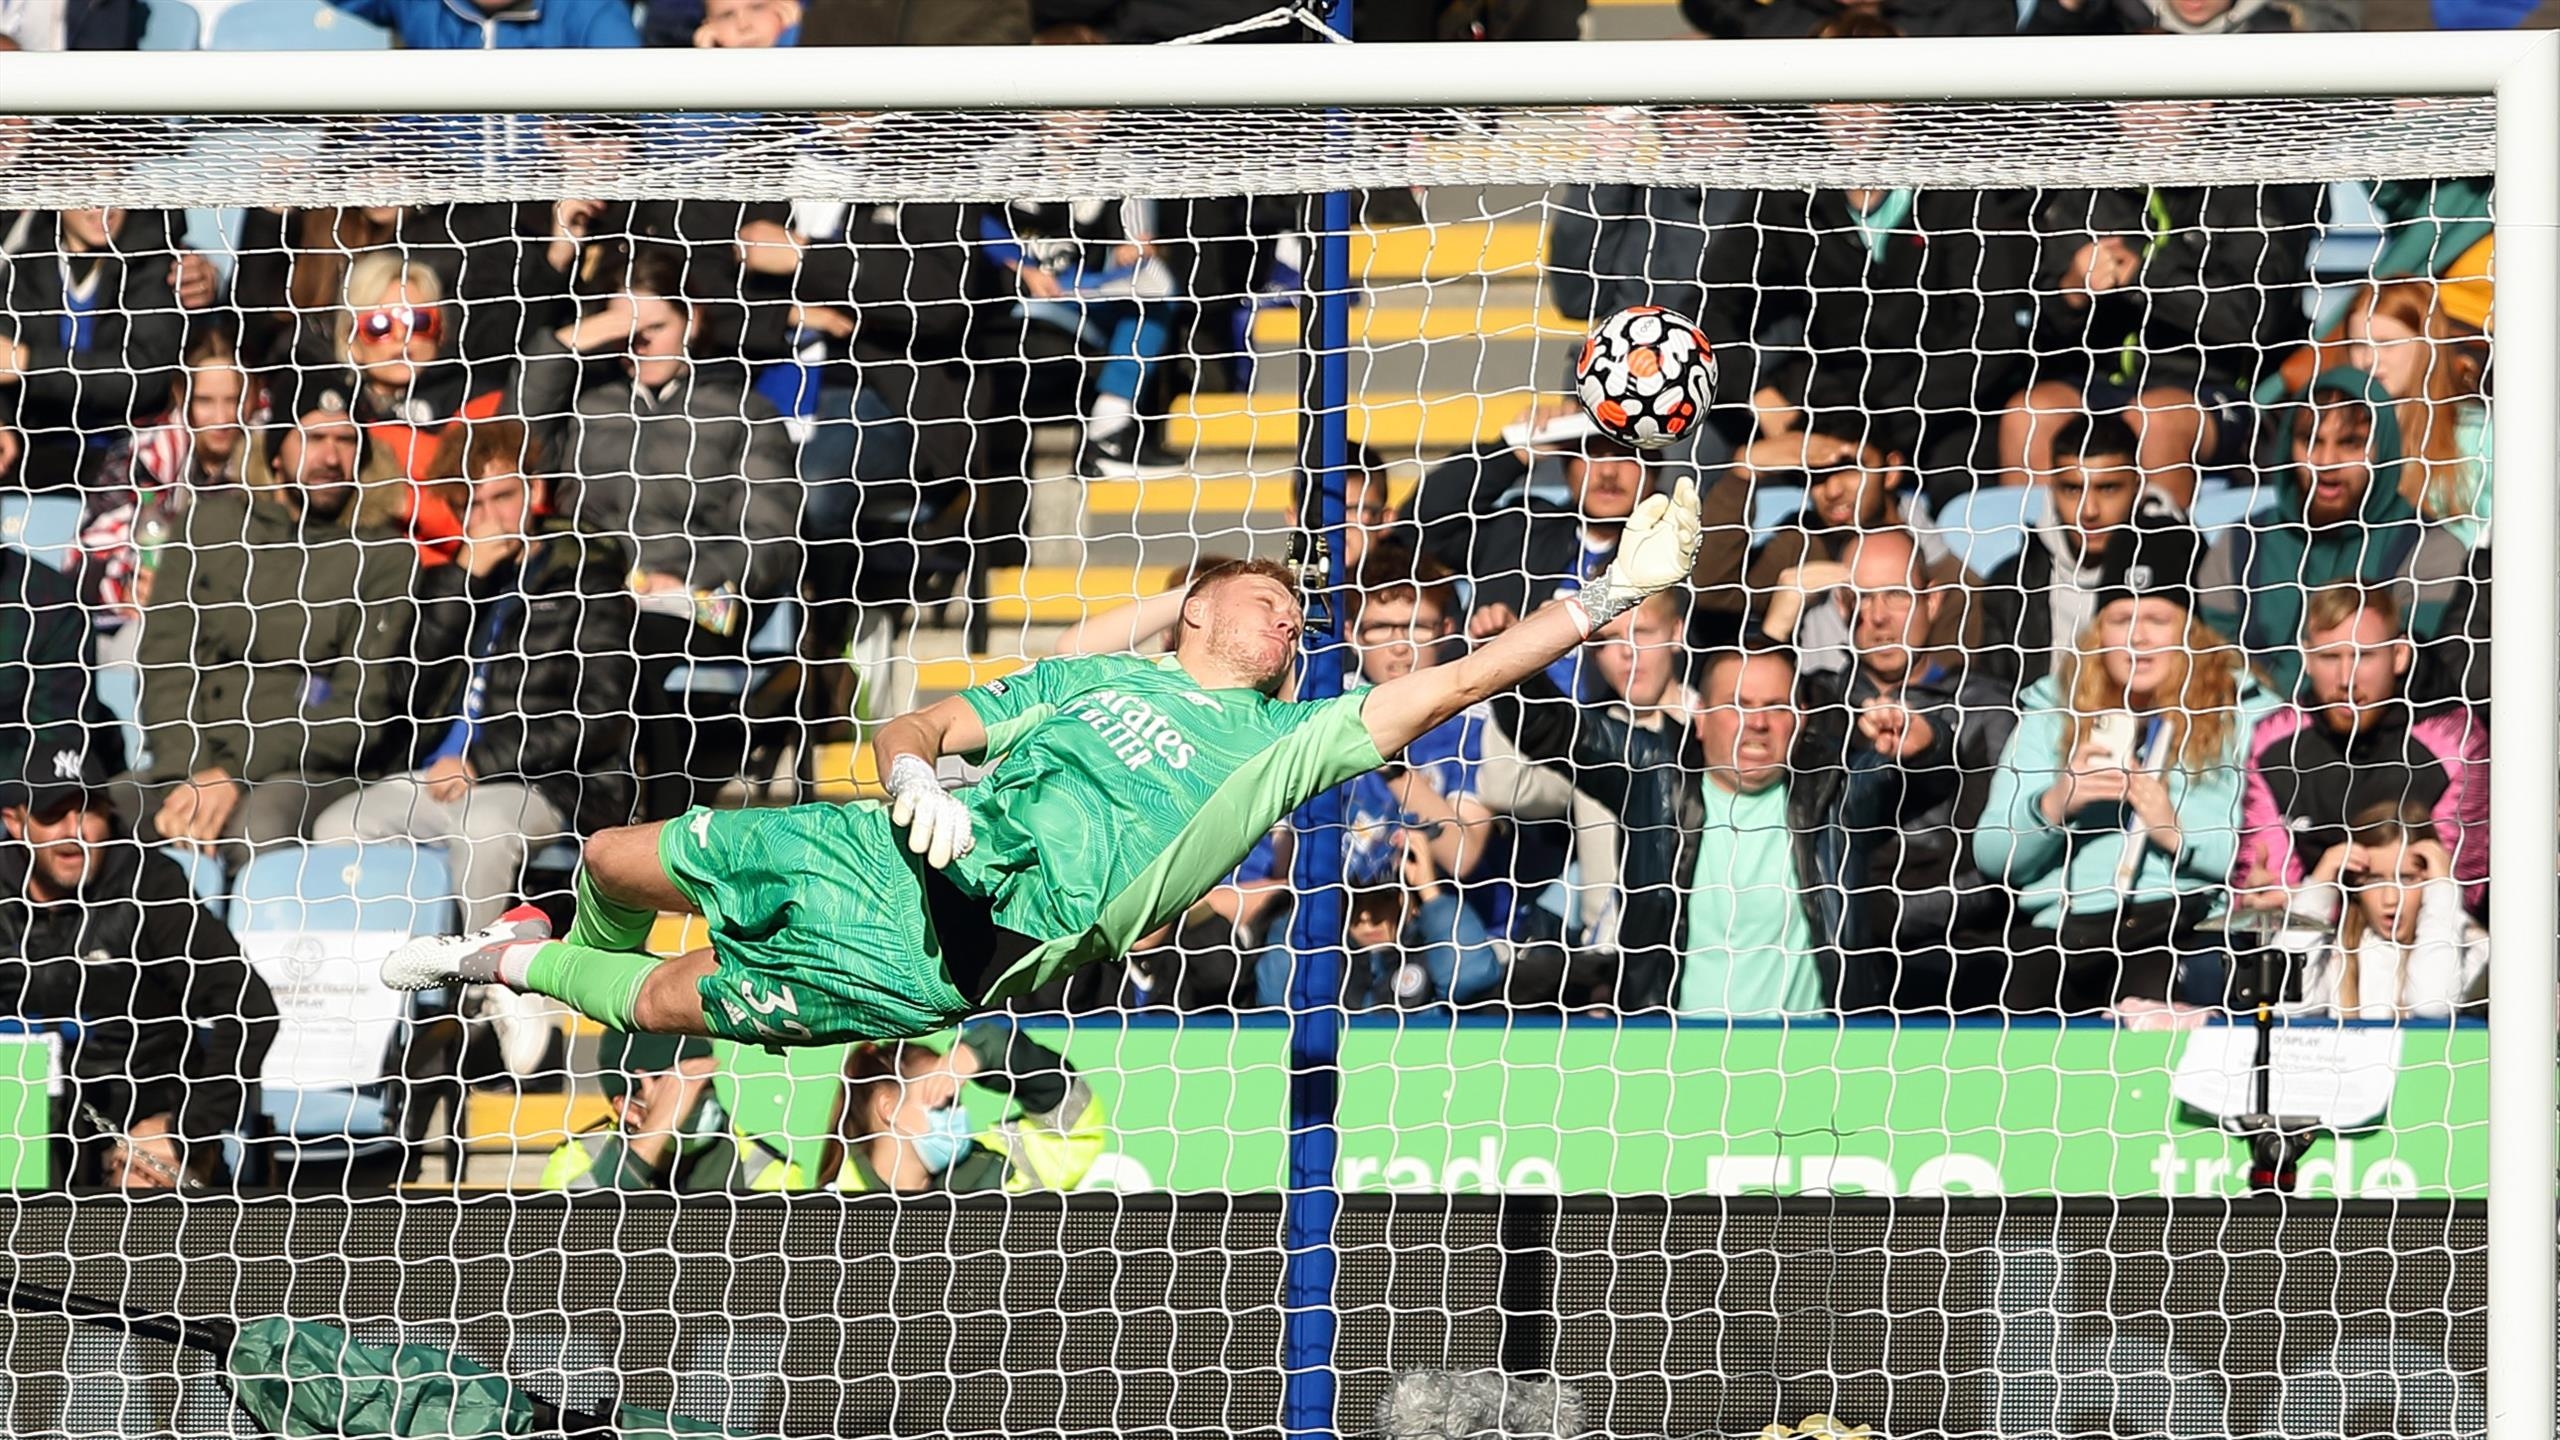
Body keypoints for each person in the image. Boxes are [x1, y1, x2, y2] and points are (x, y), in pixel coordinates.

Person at [381, 479, 1708, 1045]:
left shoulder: (1283, 744)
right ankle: (538, 956)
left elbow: (1457, 679)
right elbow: (917, 728)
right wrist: (910, 782)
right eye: (1267, 603)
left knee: (674, 999)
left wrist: (1594, 599)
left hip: (962, 948)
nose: (1289, 619)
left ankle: (506, 967)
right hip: (889, 841)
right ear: (1195, 608)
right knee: (617, 856)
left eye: (1295, 615)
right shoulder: (1091, 678)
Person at [311, 421, 638, 1071]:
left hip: (548, 783)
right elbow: (406, 692)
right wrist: (464, 582)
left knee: (484, 831)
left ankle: (503, 984)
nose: (489, 517)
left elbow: (598, 714)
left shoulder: (587, 574)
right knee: (337, 826)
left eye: (502, 498)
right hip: (440, 778)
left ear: (535, 491)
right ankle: (387, 997)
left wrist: (483, 763)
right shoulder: (453, 580)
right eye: (473, 505)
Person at [124, 373, 417, 862]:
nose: (330, 458)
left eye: (346, 441)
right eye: (314, 438)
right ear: (277, 451)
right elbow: (166, 665)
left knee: (256, 829)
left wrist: (233, 772)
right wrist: (191, 775)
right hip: (195, 765)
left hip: (305, 769)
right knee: (98, 814)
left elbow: (357, 713)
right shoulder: (207, 528)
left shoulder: (385, 556)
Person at [1973, 548, 2277, 1014]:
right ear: (2098, 633)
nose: (2138, 638)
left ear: (2190, 630)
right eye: (2120, 620)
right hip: (2063, 933)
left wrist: (2178, 835)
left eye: (2157, 619)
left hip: (2184, 926)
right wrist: (2055, 804)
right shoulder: (2053, 711)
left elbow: (2275, 862)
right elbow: (1993, 855)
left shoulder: (2249, 714)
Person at [0, 735, 277, 1188]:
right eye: (53, 815)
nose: (76, 831)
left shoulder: (150, 885)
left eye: (88, 810)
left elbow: (249, 1008)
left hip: (137, 1119)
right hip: (15, 1112)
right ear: (15, 822)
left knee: (143, 1179)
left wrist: (185, 1129)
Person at [1793, 529, 2019, 1011]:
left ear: (1933, 602)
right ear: (1840, 605)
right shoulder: (1811, 705)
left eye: (1896, 594)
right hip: (1842, 960)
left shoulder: (1987, 708)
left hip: (1968, 961)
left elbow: (2003, 859)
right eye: (1862, 597)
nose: (1878, 617)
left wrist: (1933, 746)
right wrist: (1778, 620)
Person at [2001, 168, 2321, 505]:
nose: (2142, 115)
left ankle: (2162, 553)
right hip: (2100, 381)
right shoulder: (2086, 187)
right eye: (2127, 109)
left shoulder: (2252, 189)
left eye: (2159, 109)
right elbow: (2042, 334)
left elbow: (2251, 318)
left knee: (2155, 417)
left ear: (2202, 110)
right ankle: (2033, 555)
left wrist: (2145, 275)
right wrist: (2072, 290)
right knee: (2028, 414)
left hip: (2218, 390)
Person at [517, 251, 806, 610]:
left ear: (692, 321)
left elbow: (769, 536)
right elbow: (510, 435)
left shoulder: (744, 412)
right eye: (627, 330)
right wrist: (572, 341)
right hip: (582, 587)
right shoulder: (584, 402)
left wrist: (689, 578)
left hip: (686, 601)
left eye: (656, 327)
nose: (642, 344)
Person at [1487, 588, 1701, 1011]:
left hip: (1695, 962)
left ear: (1677, 631)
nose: (1626, 653)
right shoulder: (1591, 741)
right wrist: (1526, 649)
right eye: (1607, 640)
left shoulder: (1723, 734)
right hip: (1603, 971)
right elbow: (1502, 786)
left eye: (1642, 632)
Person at [2235, 584, 2487, 913]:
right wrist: (2263, 896)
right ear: (2307, 658)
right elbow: (2265, 879)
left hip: (2422, 943)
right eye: (2329, 657)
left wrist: (2317, 895)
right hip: (2309, 944)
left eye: (2363, 656)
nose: (2346, 678)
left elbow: (2458, 892)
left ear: (2399, 655)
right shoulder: (2275, 740)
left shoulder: (2454, 741)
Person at [2195, 369, 2432, 696]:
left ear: (2384, 447)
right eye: (2311, 441)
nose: (2326, 462)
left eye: (2350, 443)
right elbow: (2212, 654)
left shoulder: (2427, 548)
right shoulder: (2244, 542)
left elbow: (2420, 675)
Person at [1711, 423, 1981, 670]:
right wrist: (1744, 471)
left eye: (1850, 467)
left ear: (1891, 471)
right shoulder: (1802, 543)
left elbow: (1951, 690)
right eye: (1817, 474)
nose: (1832, 490)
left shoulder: (1953, 583)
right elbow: (1713, 593)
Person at [1975, 411, 2204, 689]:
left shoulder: (2191, 566)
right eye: (2072, 489)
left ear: (2137, 487)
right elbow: (1992, 693)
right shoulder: (2013, 584)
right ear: (2052, 490)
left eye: (2108, 489)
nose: (2089, 511)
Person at [74, 333, 254, 651]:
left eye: (233, 400)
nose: (222, 418)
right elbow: (86, 557)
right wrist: (128, 588)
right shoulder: (138, 459)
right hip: (139, 622)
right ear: (181, 395)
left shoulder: (269, 466)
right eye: (206, 401)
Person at [977, 198, 1182, 478]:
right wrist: (1021, 267)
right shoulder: (1011, 162)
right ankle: (1107, 436)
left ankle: (1108, 432)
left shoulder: (1110, 165)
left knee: (1156, 293)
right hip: (1008, 292)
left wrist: (1136, 246)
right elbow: (975, 220)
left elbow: (1139, 240)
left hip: (1077, 288)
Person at [1676, 646, 1827, 1017]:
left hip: (1805, 1061)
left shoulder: (1835, 798)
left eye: (1775, 706)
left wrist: (1929, 739)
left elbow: (1923, 762)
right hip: (1682, 1061)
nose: (1757, 722)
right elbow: (1550, 729)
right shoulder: (1656, 797)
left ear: (1801, 719)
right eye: (1738, 705)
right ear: (1700, 716)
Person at [0, 206, 185, 491]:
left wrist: (30, 364)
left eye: (112, 186)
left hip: (127, 454)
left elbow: (144, 378)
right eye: (87, 185)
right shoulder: (27, 255)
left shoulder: (154, 259)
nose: (102, 207)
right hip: (36, 450)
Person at [2276, 799, 2487, 1023]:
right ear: (2355, 886)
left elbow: (2432, 1005)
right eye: (2374, 879)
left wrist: (2443, 892)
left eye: (2406, 879)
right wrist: (2320, 884)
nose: (2390, 899)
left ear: (2431, 882)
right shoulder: (2334, 953)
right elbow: (2286, 1005)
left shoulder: (2474, 950)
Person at [325, 0, 641, 48]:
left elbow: (636, 100)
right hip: (437, 196)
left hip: (550, 195)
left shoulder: (592, 9)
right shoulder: (419, 6)